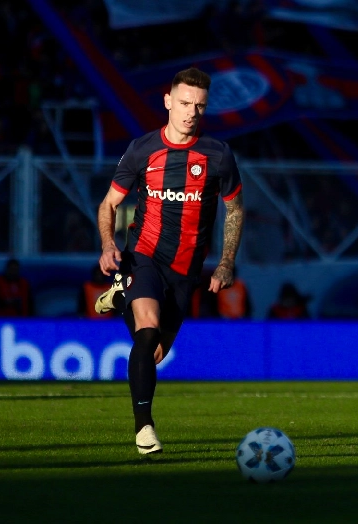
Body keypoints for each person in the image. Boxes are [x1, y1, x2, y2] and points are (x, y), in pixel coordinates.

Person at [95, 67, 244, 455]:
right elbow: (109, 204)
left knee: (157, 352)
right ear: (167, 102)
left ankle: (120, 295)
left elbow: (235, 210)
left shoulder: (218, 155)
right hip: (143, 255)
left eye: (199, 105)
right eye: (183, 103)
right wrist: (109, 244)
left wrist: (227, 262)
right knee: (146, 331)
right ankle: (144, 429)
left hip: (186, 270)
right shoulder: (143, 149)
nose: (191, 112)